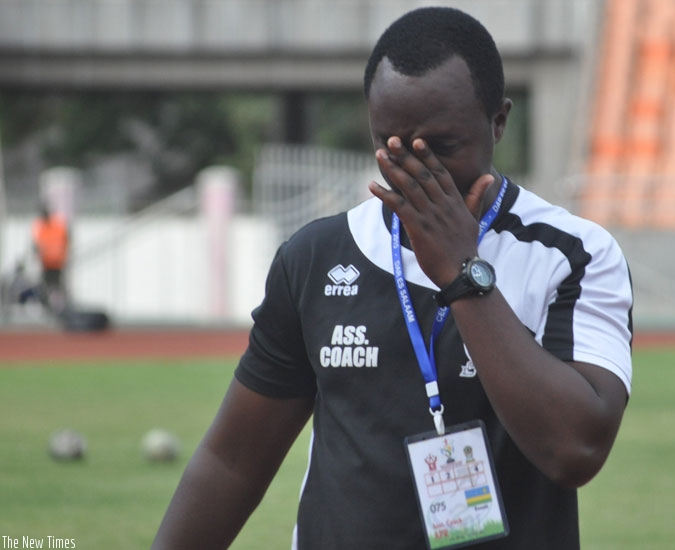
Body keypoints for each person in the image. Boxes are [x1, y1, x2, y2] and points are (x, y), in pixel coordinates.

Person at [153, 7, 633, 549]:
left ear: (498, 121)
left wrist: (461, 272)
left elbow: (576, 449)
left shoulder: (573, 253)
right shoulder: (316, 256)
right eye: (393, 146)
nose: (415, 170)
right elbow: (233, 461)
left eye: (443, 147)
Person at [31, 204, 70, 312]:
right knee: (46, 286)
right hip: (46, 263)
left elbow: (66, 240)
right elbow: (36, 245)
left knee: (58, 285)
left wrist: (64, 254)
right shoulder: (42, 228)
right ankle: (47, 307)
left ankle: (63, 307)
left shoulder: (57, 226)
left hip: (57, 263)